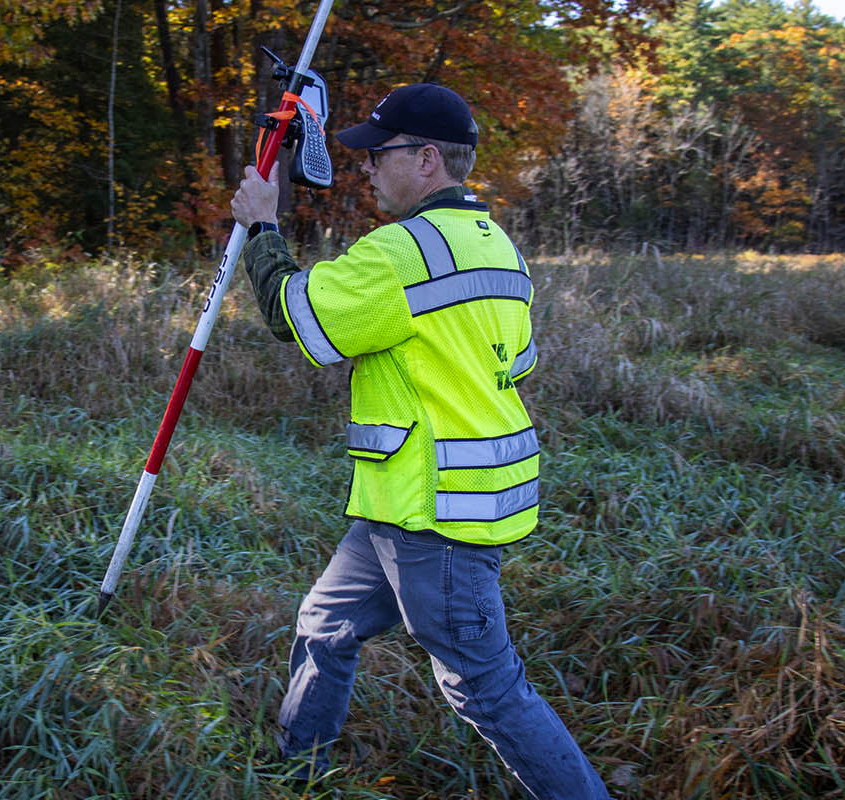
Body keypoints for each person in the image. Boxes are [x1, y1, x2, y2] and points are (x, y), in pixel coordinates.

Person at [230, 83, 612, 798]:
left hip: (438, 514)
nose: (367, 165)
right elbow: (515, 361)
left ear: (428, 159)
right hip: (405, 502)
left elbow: (293, 313)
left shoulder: (403, 251)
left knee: (486, 691)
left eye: (381, 151)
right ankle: (297, 771)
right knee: (327, 622)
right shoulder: (500, 246)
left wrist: (261, 227)